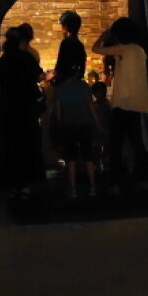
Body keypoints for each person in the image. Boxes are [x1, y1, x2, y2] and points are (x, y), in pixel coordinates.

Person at [91, 16, 148, 193]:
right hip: (137, 104)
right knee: (137, 142)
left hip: (121, 104)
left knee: (116, 144)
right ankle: (144, 178)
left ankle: (115, 182)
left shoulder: (122, 50)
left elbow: (95, 49)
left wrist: (104, 35)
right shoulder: (140, 51)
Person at [0, 25, 44, 198]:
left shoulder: (2, 61)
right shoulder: (26, 57)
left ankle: (11, 185)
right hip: (26, 108)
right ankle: (25, 185)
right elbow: (39, 75)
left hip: (7, 108)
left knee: (10, 146)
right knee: (27, 146)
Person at [47, 63, 100, 199]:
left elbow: (58, 111)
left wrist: (60, 125)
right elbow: (90, 105)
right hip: (85, 124)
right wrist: (97, 122)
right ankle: (93, 187)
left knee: (71, 158)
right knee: (88, 156)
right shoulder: (84, 86)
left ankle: (73, 189)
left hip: (69, 125)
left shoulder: (59, 89)